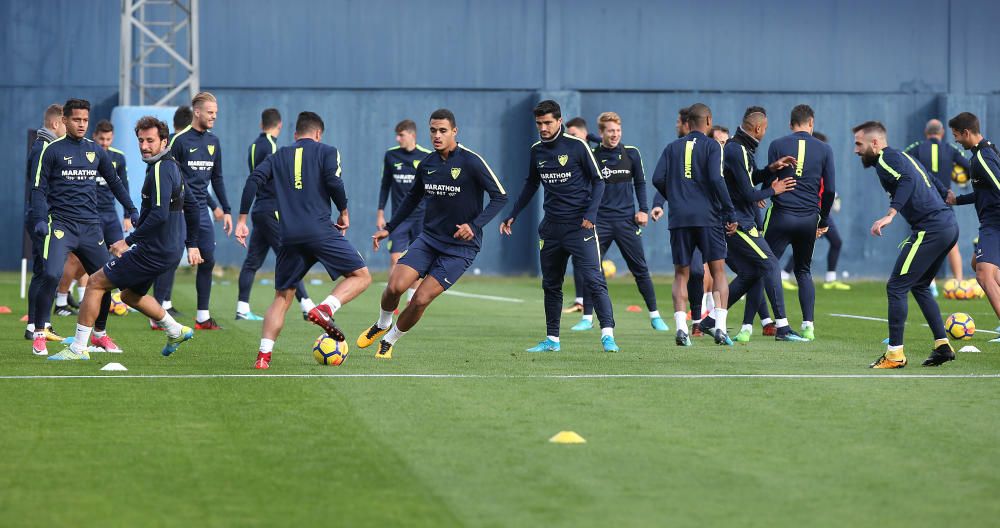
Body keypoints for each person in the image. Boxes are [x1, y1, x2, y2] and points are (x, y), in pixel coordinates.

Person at [359, 109, 508, 359]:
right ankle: (382, 323)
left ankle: (390, 340)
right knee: (395, 286)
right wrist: (389, 228)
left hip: (460, 250)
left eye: (442, 131)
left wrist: (474, 225)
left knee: (419, 299)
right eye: (433, 130)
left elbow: (500, 196)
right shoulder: (427, 163)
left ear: (454, 132)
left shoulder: (471, 161)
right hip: (429, 240)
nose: (437, 135)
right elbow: (412, 198)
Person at [56, 116, 202, 360]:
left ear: (164, 141)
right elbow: (194, 205)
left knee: (95, 282)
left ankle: (78, 348)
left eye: (150, 141)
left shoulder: (161, 169)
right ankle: (175, 330)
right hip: (169, 250)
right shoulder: (171, 165)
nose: (144, 146)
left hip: (153, 250)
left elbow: (160, 214)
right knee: (129, 296)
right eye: (141, 140)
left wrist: (129, 241)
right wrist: (191, 244)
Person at [236, 111, 372, 370]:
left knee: (282, 296)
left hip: (288, 235)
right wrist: (343, 212)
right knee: (361, 276)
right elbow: (334, 181)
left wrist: (242, 220)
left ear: (295, 135)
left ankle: (263, 356)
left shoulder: (278, 155)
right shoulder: (327, 151)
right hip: (320, 230)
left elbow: (253, 180)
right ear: (318, 134)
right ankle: (326, 309)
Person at [501, 100, 619, 353]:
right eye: (539, 124)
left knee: (594, 279)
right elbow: (531, 184)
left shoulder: (578, 146)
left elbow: (599, 182)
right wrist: (513, 214)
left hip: (580, 227)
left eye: (547, 123)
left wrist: (591, 214)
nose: (543, 128)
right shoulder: (536, 150)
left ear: (559, 121)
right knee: (551, 285)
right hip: (551, 229)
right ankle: (552, 340)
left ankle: (608, 335)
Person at [29, 98, 138, 357]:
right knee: (52, 275)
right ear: (64, 120)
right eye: (76, 119)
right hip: (61, 226)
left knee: (105, 281)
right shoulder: (51, 150)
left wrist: (131, 209)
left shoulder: (96, 151)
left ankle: (99, 335)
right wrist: (39, 219)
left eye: (85, 120)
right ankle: (40, 333)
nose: (81, 124)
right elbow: (38, 189)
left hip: (91, 228)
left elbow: (115, 182)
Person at [854, 120, 958, 368]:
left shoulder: (885, 160)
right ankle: (942, 346)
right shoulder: (900, 155)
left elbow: (909, 180)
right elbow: (928, 176)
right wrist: (947, 195)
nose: (856, 150)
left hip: (931, 228)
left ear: (875, 143)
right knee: (920, 286)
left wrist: (890, 214)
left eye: (859, 144)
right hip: (945, 225)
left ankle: (895, 355)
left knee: (896, 286)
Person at [572, 112, 668, 332]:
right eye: (610, 131)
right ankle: (587, 318)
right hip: (600, 223)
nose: (615, 135)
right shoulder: (592, 155)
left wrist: (643, 210)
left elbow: (641, 183)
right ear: (601, 133)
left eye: (618, 130)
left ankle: (655, 316)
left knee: (640, 269)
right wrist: (587, 216)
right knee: (591, 269)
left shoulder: (631, 153)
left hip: (626, 222)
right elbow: (586, 189)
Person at [651, 103, 737, 346]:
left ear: (687, 123)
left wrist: (677, 195)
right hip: (708, 218)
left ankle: (681, 330)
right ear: (708, 120)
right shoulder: (713, 146)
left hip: (679, 219)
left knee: (681, 273)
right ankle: (720, 327)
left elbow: (658, 178)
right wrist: (729, 210)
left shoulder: (672, 147)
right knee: (718, 271)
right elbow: (715, 178)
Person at [720, 106, 807, 342]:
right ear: (758, 128)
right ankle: (783, 328)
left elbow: (747, 181)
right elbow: (748, 193)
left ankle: (711, 321)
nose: (765, 133)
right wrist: (773, 190)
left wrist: (770, 168)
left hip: (742, 218)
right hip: (739, 221)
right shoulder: (736, 149)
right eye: (765, 128)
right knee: (770, 264)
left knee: (751, 273)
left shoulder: (742, 148)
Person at [160, 92, 232, 330]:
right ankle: (157, 313)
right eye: (210, 112)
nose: (214, 116)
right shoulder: (179, 141)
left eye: (217, 113)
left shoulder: (214, 142)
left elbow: (218, 178)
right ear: (197, 112)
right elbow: (169, 176)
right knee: (169, 258)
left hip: (201, 211)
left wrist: (226, 210)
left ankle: (202, 317)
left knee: (208, 260)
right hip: (178, 210)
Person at [764, 105, 836, 341]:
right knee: (803, 271)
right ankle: (808, 325)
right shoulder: (825, 149)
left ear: (790, 123)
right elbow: (830, 190)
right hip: (808, 218)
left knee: (765, 266)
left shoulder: (777, 144)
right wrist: (823, 219)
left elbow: (771, 178)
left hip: (781, 215)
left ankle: (769, 323)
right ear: (811, 123)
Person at [235, 108, 314, 321]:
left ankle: (242, 309)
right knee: (290, 256)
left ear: (262, 124)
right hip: (271, 209)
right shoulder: (271, 146)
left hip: (259, 209)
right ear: (279, 125)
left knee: (252, 261)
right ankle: (308, 306)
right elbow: (273, 176)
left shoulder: (253, 146)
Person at [651, 106, 712, 333]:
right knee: (694, 270)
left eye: (679, 121)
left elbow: (716, 179)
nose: (676, 125)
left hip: (708, 218)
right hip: (691, 218)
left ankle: (707, 316)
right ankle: (697, 321)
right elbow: (665, 180)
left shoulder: (708, 146)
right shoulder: (674, 149)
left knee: (706, 270)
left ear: (688, 123)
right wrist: (660, 203)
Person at [946, 112, 1000, 343]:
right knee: (978, 264)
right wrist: (957, 200)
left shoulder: (982, 158)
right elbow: (982, 192)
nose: (956, 140)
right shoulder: (982, 153)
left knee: (983, 275)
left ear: (967, 133)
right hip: (990, 222)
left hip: (995, 223)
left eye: (957, 135)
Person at [905, 118, 973, 293]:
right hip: (944, 201)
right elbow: (970, 166)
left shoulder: (917, 148)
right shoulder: (950, 149)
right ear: (942, 133)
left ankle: (931, 283)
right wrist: (963, 177)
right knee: (951, 242)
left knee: (924, 242)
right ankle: (959, 282)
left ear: (926, 133)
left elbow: (904, 164)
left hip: (922, 202)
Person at [780, 131, 850, 291]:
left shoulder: (819, 164)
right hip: (814, 212)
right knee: (805, 245)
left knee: (833, 242)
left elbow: (826, 187)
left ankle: (830, 278)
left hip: (820, 212)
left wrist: (834, 197)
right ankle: (784, 274)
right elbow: (822, 188)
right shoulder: (812, 166)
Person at [23, 104, 67, 345]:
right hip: (43, 217)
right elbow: (39, 186)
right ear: (55, 123)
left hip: (40, 215)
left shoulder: (41, 145)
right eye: (65, 123)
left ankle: (34, 325)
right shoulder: (44, 149)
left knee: (42, 272)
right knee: (49, 272)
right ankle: (41, 324)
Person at [377, 119, 433, 302]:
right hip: (399, 219)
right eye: (397, 134)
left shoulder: (427, 156)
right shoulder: (391, 155)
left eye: (401, 135)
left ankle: (410, 298)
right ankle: (392, 299)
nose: (397, 138)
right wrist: (380, 213)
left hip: (422, 218)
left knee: (417, 260)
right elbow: (385, 186)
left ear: (412, 135)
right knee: (395, 259)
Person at [152, 105, 194, 318]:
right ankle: (158, 306)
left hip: (178, 210)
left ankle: (162, 304)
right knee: (166, 256)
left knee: (171, 257)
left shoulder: (166, 162)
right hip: (172, 214)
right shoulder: (172, 153)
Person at [562, 116, 601, 313]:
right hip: (581, 214)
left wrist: (588, 135)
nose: (571, 138)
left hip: (600, 213)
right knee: (578, 260)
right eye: (569, 135)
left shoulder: (594, 152)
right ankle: (581, 302)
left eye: (574, 135)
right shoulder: (573, 154)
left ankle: (598, 312)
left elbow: (612, 144)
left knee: (592, 265)